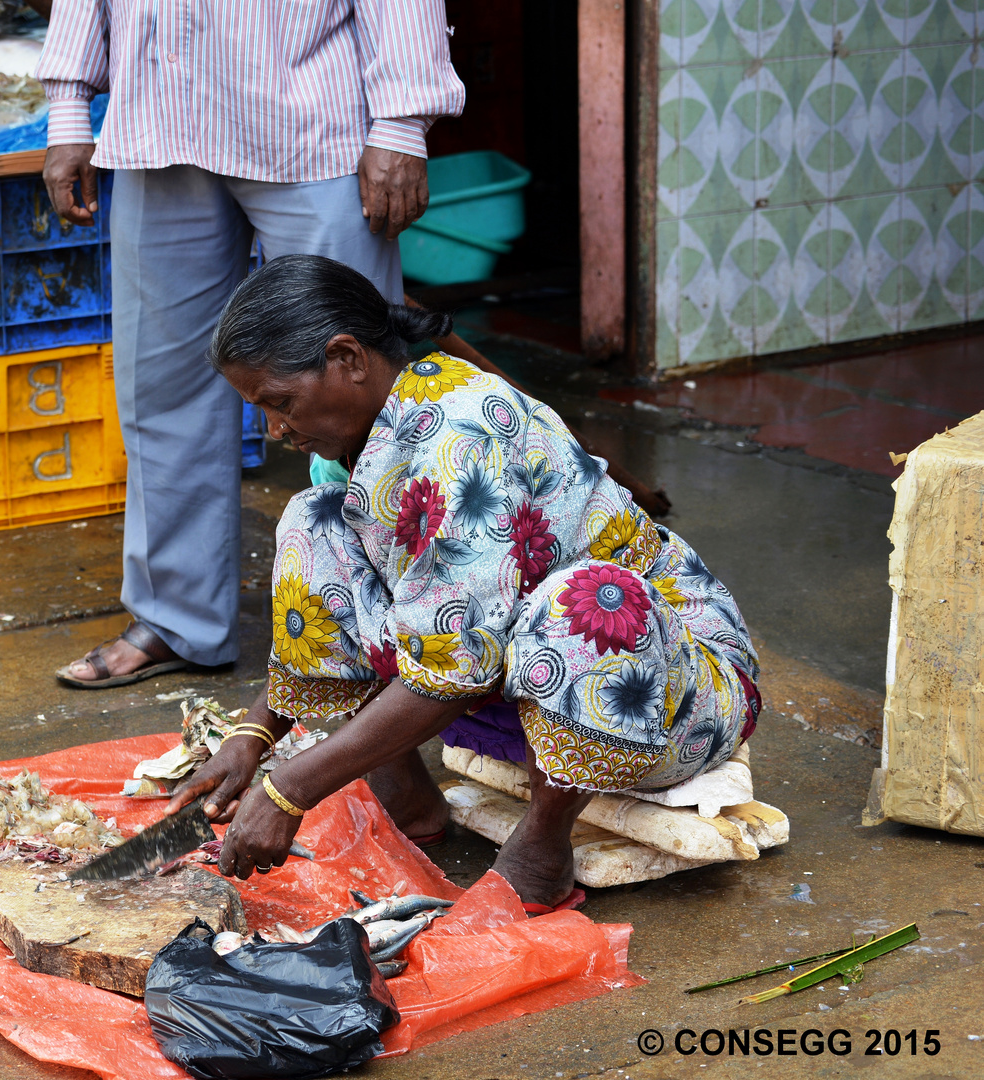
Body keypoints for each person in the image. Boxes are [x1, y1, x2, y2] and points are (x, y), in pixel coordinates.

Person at [168, 255, 761, 909]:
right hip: (524, 689)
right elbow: (423, 623)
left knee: (591, 602)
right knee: (316, 522)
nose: (276, 430)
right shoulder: (366, 439)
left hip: (669, 696)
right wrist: (254, 737)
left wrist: (289, 788)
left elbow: (456, 667)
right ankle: (407, 798)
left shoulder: (462, 437)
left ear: (347, 358)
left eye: (280, 404)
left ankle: (543, 844)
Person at [38, 0, 465, 688]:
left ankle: (406, 620)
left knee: (355, 383)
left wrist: (402, 122)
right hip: (160, 121)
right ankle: (176, 619)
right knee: (162, 383)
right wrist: (68, 109)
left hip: (311, 121)